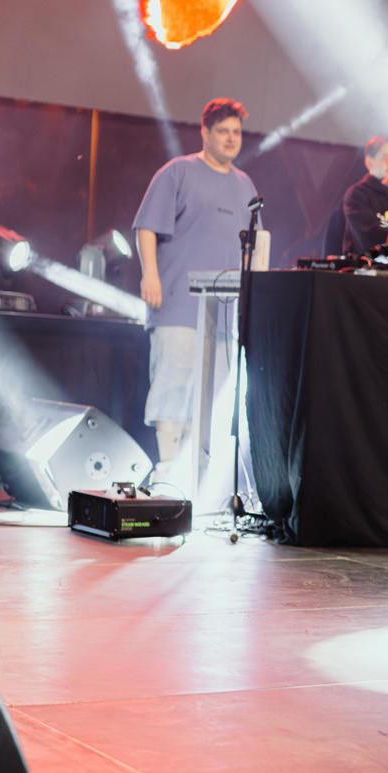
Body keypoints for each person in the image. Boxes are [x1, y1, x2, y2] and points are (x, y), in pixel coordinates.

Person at [133, 98, 258, 488]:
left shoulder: (245, 184)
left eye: (236, 132)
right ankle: (168, 468)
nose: (231, 138)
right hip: (178, 303)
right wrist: (150, 275)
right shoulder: (178, 172)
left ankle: (195, 473)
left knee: (211, 396)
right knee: (174, 383)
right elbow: (146, 227)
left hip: (225, 315)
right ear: (204, 132)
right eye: (223, 131)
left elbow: (257, 244)